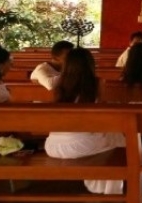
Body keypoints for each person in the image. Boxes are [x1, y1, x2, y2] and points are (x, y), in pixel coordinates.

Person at [44, 48, 125, 195]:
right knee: (119, 139)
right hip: (81, 146)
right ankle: (107, 188)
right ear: (90, 64)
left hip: (52, 146)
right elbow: (104, 114)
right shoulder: (96, 83)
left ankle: (99, 182)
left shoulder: (59, 85)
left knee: (111, 139)